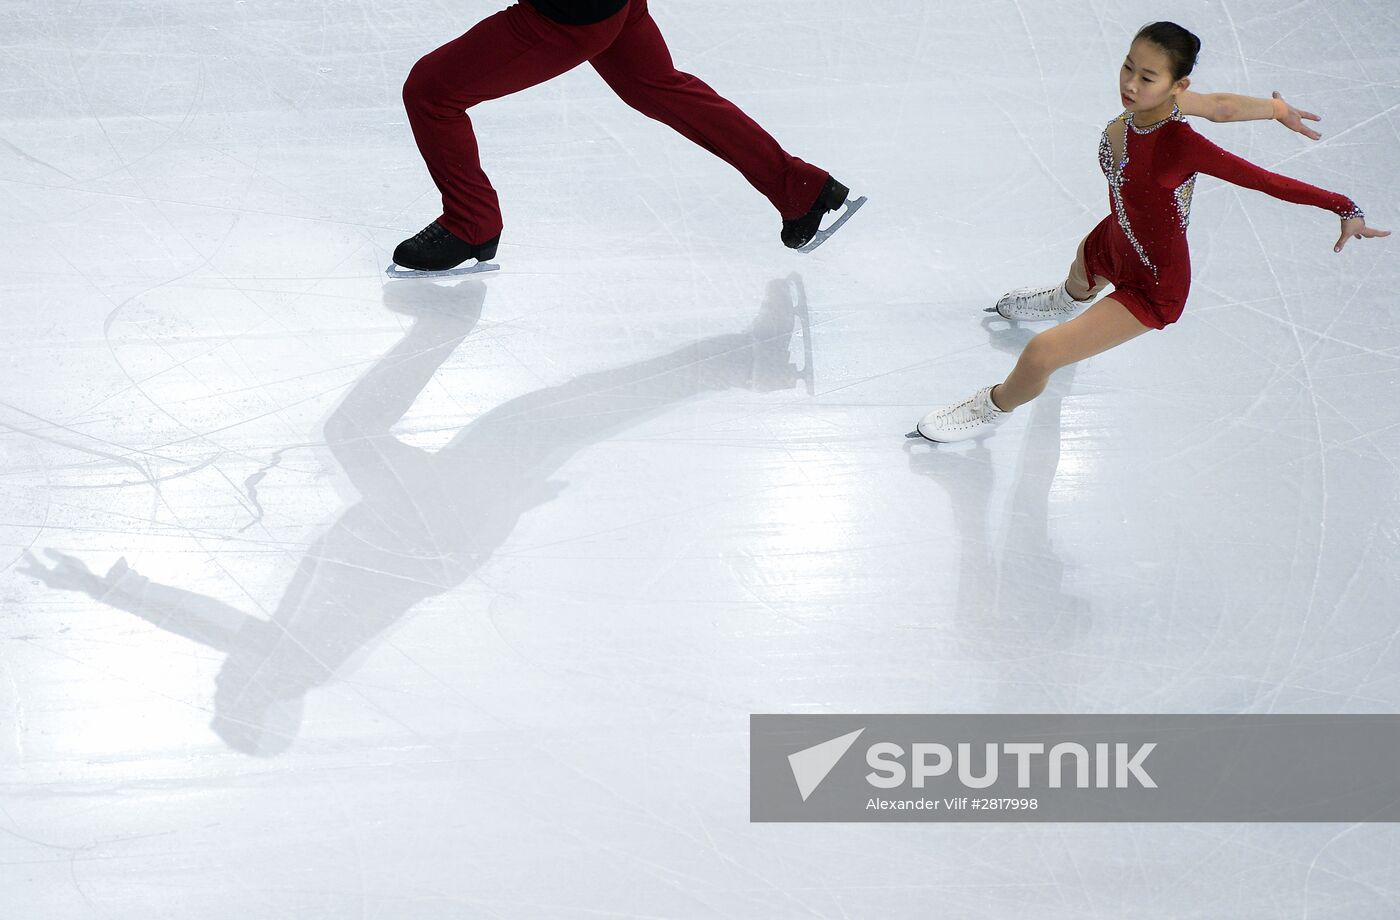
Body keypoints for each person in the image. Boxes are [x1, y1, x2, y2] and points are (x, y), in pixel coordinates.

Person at [914, 21, 1389, 443]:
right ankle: (1066, 299)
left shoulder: (1181, 144)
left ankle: (992, 407)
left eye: (1147, 78)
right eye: (1128, 68)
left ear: (1176, 84)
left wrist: (1344, 206)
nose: (1130, 84)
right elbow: (1221, 106)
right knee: (1082, 264)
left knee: (1040, 355)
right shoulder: (1163, 102)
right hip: (1118, 236)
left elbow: (1265, 181)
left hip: (1153, 283)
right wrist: (1274, 108)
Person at [393, 0, 848, 272]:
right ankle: (798, 185)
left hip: (569, 13)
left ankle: (470, 224)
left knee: (432, 91)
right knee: (656, 87)